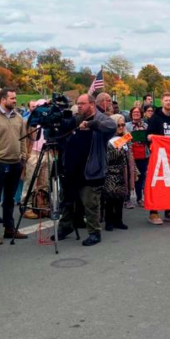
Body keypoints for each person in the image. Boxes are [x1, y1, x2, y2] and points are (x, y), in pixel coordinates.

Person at [52, 94, 116, 246]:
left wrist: (91, 125)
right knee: (67, 200)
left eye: (82, 103)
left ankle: (94, 232)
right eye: (77, 103)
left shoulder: (101, 119)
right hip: (72, 168)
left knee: (90, 203)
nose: (79, 106)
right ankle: (65, 227)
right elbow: (62, 132)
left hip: (91, 169)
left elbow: (111, 126)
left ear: (92, 104)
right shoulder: (77, 118)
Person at [0, 88, 29, 245]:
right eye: (12, 98)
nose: (15, 100)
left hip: (15, 163)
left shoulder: (19, 117)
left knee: (10, 198)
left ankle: (9, 228)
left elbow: (23, 139)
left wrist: (23, 157)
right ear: (2, 100)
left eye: (15, 98)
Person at [146, 93, 170, 225]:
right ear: (162, 102)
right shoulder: (155, 118)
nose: (168, 102)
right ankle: (153, 212)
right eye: (166, 100)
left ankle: (168, 211)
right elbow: (148, 136)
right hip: (158, 157)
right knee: (156, 184)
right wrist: (150, 138)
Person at [104, 114, 136, 231]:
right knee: (110, 198)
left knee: (120, 197)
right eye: (119, 125)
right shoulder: (108, 138)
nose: (121, 127)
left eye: (123, 125)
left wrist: (134, 171)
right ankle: (109, 221)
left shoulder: (126, 138)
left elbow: (130, 156)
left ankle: (118, 220)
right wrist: (122, 142)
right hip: (111, 171)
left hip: (123, 171)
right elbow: (109, 156)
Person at [20, 99, 50, 220]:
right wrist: (26, 155)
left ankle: (42, 205)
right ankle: (26, 206)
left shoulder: (49, 122)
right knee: (30, 182)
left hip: (48, 152)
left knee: (45, 183)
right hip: (34, 153)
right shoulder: (30, 122)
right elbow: (26, 139)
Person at [125, 106, 148, 207]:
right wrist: (131, 137)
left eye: (138, 112)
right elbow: (123, 139)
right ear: (131, 114)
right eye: (134, 112)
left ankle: (139, 198)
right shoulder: (126, 126)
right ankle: (127, 199)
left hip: (143, 154)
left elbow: (149, 138)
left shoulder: (146, 126)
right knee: (130, 176)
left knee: (141, 177)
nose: (136, 114)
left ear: (141, 114)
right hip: (131, 154)